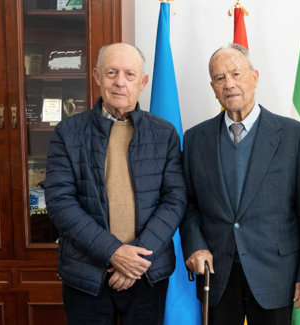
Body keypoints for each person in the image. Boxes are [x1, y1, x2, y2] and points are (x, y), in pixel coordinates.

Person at [180, 43, 300, 325]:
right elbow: (187, 204)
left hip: (277, 274)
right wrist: (195, 246)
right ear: (212, 86)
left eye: (236, 73)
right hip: (217, 275)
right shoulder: (196, 138)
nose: (229, 84)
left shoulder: (294, 136)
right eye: (220, 78)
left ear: (255, 77)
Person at [44, 43, 187, 325]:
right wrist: (113, 253)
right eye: (112, 72)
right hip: (86, 275)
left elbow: (175, 199)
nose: (120, 82)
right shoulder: (67, 133)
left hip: (146, 273)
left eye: (130, 74)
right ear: (97, 76)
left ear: (143, 82)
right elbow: (61, 203)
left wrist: (134, 262)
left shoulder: (165, 133)